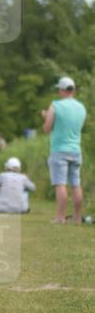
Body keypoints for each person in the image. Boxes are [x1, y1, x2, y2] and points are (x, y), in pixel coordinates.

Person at [42, 76, 88, 224]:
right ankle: (77, 217)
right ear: (73, 90)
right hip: (76, 149)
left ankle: (61, 217)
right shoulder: (81, 107)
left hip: (60, 150)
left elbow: (47, 128)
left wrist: (46, 116)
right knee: (76, 184)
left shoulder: (55, 105)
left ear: (61, 90)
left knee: (60, 183)